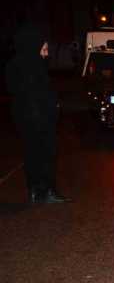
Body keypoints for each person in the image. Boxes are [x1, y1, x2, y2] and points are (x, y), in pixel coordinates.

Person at [5, 23, 70, 203]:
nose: (46, 53)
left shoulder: (15, 65)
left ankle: (35, 191)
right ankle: (46, 191)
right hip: (39, 121)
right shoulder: (32, 68)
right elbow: (35, 96)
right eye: (44, 48)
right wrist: (46, 115)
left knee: (32, 155)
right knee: (45, 155)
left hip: (28, 120)